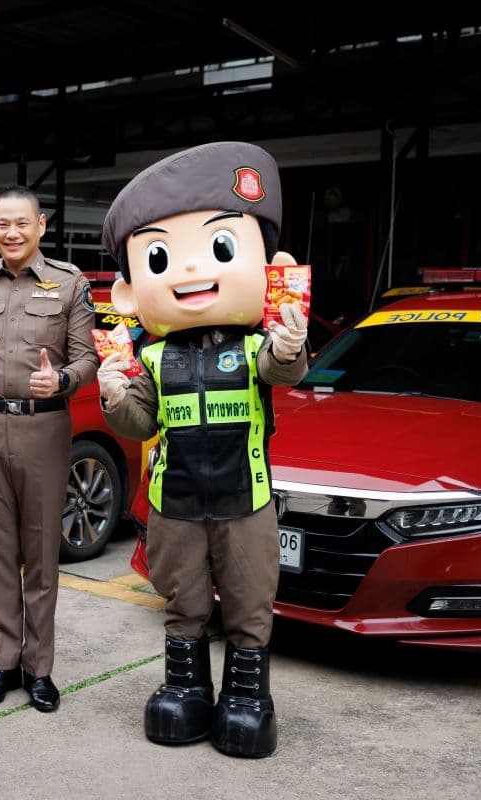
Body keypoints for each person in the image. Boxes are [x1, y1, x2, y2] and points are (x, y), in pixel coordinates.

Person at [97, 141, 308, 758]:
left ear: (271, 269)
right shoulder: (153, 357)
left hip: (246, 497)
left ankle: (247, 697)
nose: (189, 271)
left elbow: (283, 369)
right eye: (160, 258)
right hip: (176, 500)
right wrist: (114, 393)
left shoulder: (255, 347)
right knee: (182, 599)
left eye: (219, 247)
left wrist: (289, 344)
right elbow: (139, 422)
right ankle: (186, 688)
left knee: (248, 597)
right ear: (129, 292)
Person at [0, 186, 99, 713]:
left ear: (41, 225)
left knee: (41, 552)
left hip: (44, 430)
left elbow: (87, 360)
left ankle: (39, 669)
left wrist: (62, 380)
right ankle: (3, 664)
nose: (12, 233)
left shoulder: (70, 283)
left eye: (22, 223)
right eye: (2, 224)